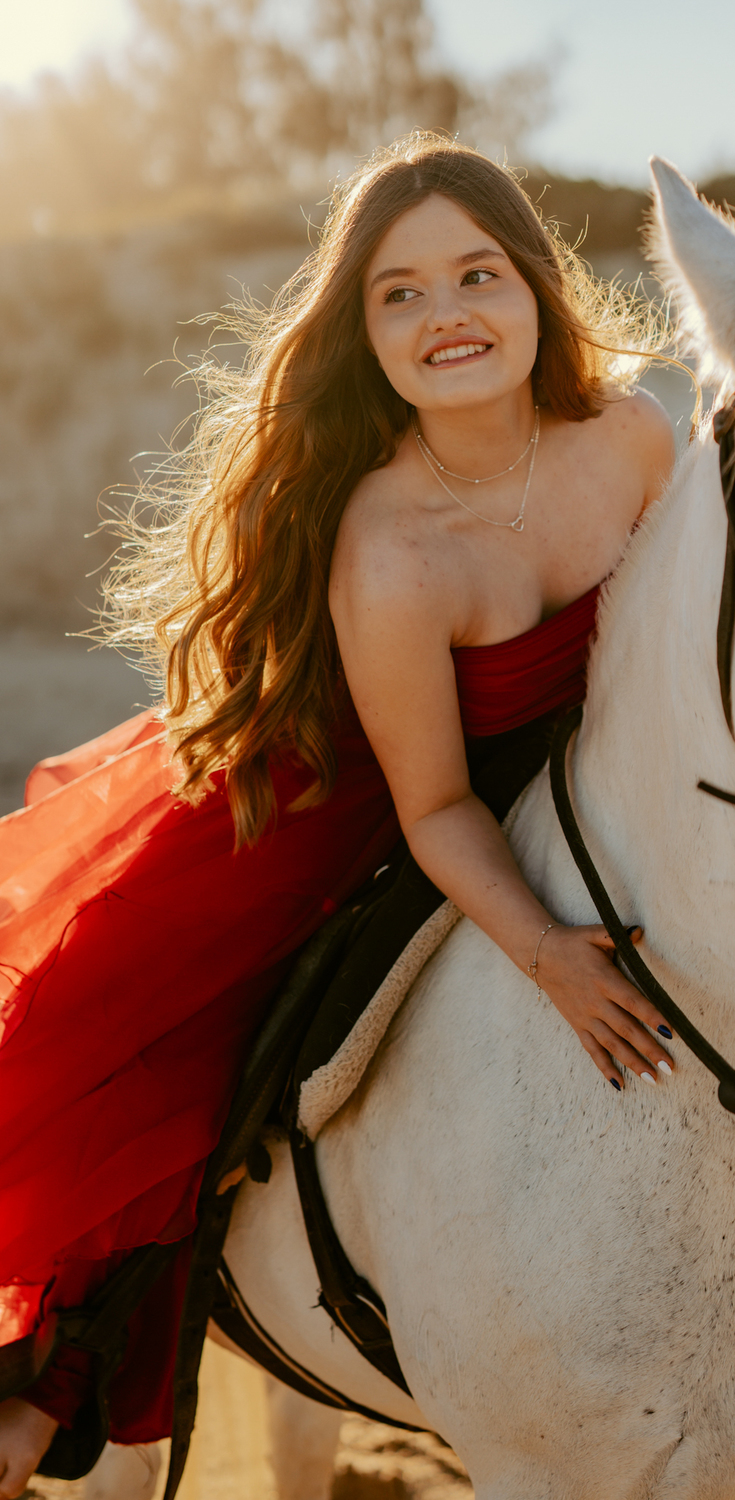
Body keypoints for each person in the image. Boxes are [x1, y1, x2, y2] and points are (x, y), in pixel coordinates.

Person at [0, 132, 677, 1497]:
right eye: (401, 294)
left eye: (476, 274)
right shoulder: (390, 540)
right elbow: (432, 803)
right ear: (363, 332)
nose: (447, 317)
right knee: (154, 1071)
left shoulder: (638, 433)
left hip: (580, 784)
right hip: (344, 801)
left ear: (536, 287)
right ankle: (48, 1392)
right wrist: (548, 954)